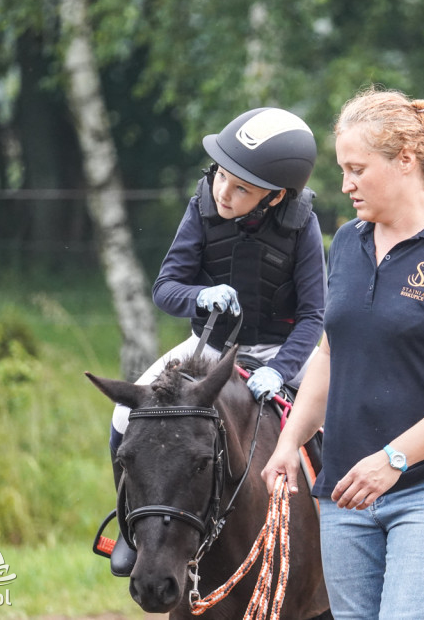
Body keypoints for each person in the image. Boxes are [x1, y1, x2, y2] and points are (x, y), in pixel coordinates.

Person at [260, 88, 424, 619]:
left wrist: (394, 459)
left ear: (405, 161)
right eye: (342, 169)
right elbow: (331, 353)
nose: (345, 184)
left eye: (357, 169)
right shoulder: (349, 242)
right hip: (345, 490)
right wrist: (289, 442)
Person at [107, 107, 327, 575]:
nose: (224, 191)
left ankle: (342, 531)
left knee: (341, 416)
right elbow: (166, 288)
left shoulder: (302, 223)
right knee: (124, 412)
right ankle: (130, 530)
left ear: (276, 196)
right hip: (207, 347)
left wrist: (281, 369)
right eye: (222, 176)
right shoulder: (202, 205)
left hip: (283, 350)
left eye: (241, 187)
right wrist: (199, 296)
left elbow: (313, 316)